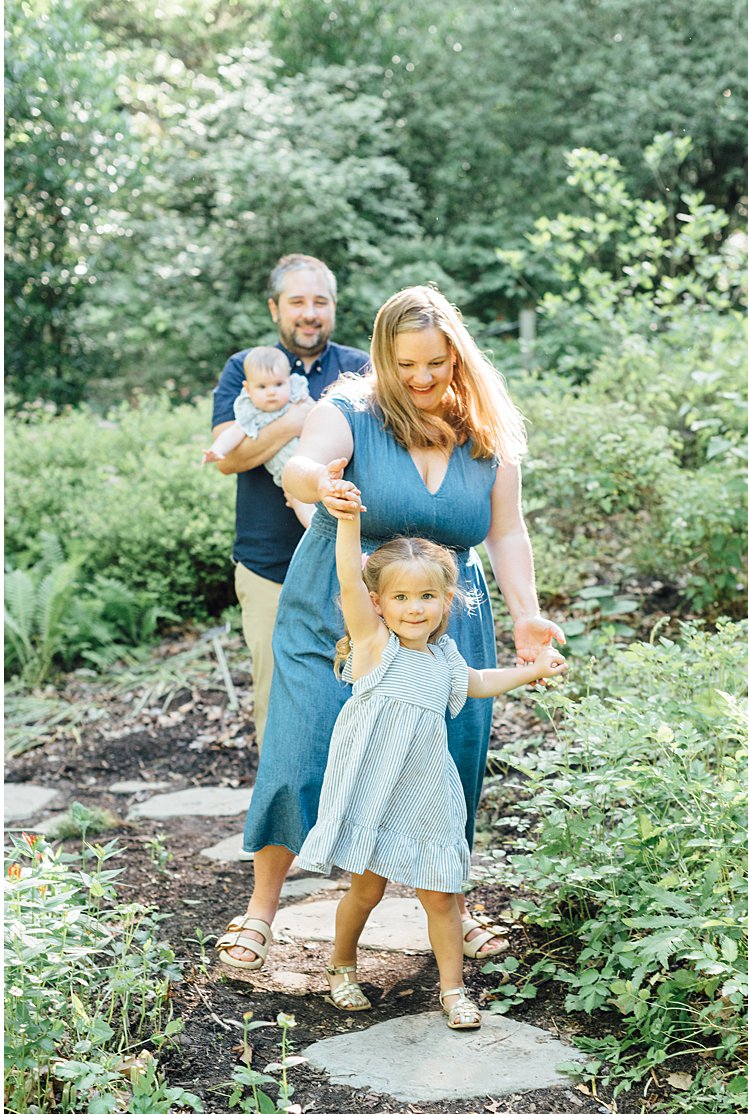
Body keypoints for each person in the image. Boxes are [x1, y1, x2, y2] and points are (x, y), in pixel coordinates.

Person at [217, 285, 565, 974]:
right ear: (383, 357)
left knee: (450, 759)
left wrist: (527, 614)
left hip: (445, 617)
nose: (422, 378)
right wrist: (323, 485)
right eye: (406, 364)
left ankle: (450, 906)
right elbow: (303, 462)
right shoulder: (352, 407)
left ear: (457, 356)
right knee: (303, 747)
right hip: (338, 613)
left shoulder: (485, 433)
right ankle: (261, 908)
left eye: (436, 363)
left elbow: (507, 529)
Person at [296, 500, 565, 1028]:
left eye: (426, 596)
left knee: (442, 895)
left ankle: (452, 990)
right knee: (366, 889)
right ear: (378, 604)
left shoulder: (444, 659)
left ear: (446, 601)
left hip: (426, 788)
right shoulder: (376, 648)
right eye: (400, 597)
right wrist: (348, 524)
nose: (414, 608)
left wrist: (531, 673)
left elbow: (478, 683)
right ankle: (342, 964)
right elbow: (349, 580)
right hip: (377, 787)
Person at [210, 255, 370, 747]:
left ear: (334, 308)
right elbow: (227, 456)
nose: (309, 313)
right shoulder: (247, 367)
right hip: (267, 565)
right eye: (297, 302)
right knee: (275, 697)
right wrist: (293, 422)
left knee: (359, 691)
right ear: (275, 308)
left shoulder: (358, 368)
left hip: (349, 564)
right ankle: (278, 820)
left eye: (320, 302)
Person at [202, 348, 316, 528]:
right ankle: (319, 533)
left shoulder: (297, 398)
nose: (271, 392)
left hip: (317, 462)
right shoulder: (251, 413)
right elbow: (233, 433)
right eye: (262, 387)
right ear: (248, 389)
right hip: (289, 474)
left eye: (278, 384)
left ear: (289, 381)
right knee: (300, 502)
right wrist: (217, 450)